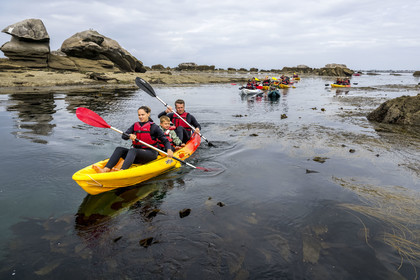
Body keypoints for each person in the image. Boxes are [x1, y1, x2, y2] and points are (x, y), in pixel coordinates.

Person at [93, 106, 173, 173]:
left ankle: (123, 171)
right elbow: (124, 137)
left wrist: (169, 149)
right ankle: (106, 169)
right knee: (119, 149)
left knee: (132, 150)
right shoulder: (135, 125)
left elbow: (165, 140)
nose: (140, 117)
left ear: (148, 114)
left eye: (143, 114)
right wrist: (129, 135)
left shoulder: (154, 127)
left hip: (150, 154)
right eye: (139, 115)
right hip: (136, 155)